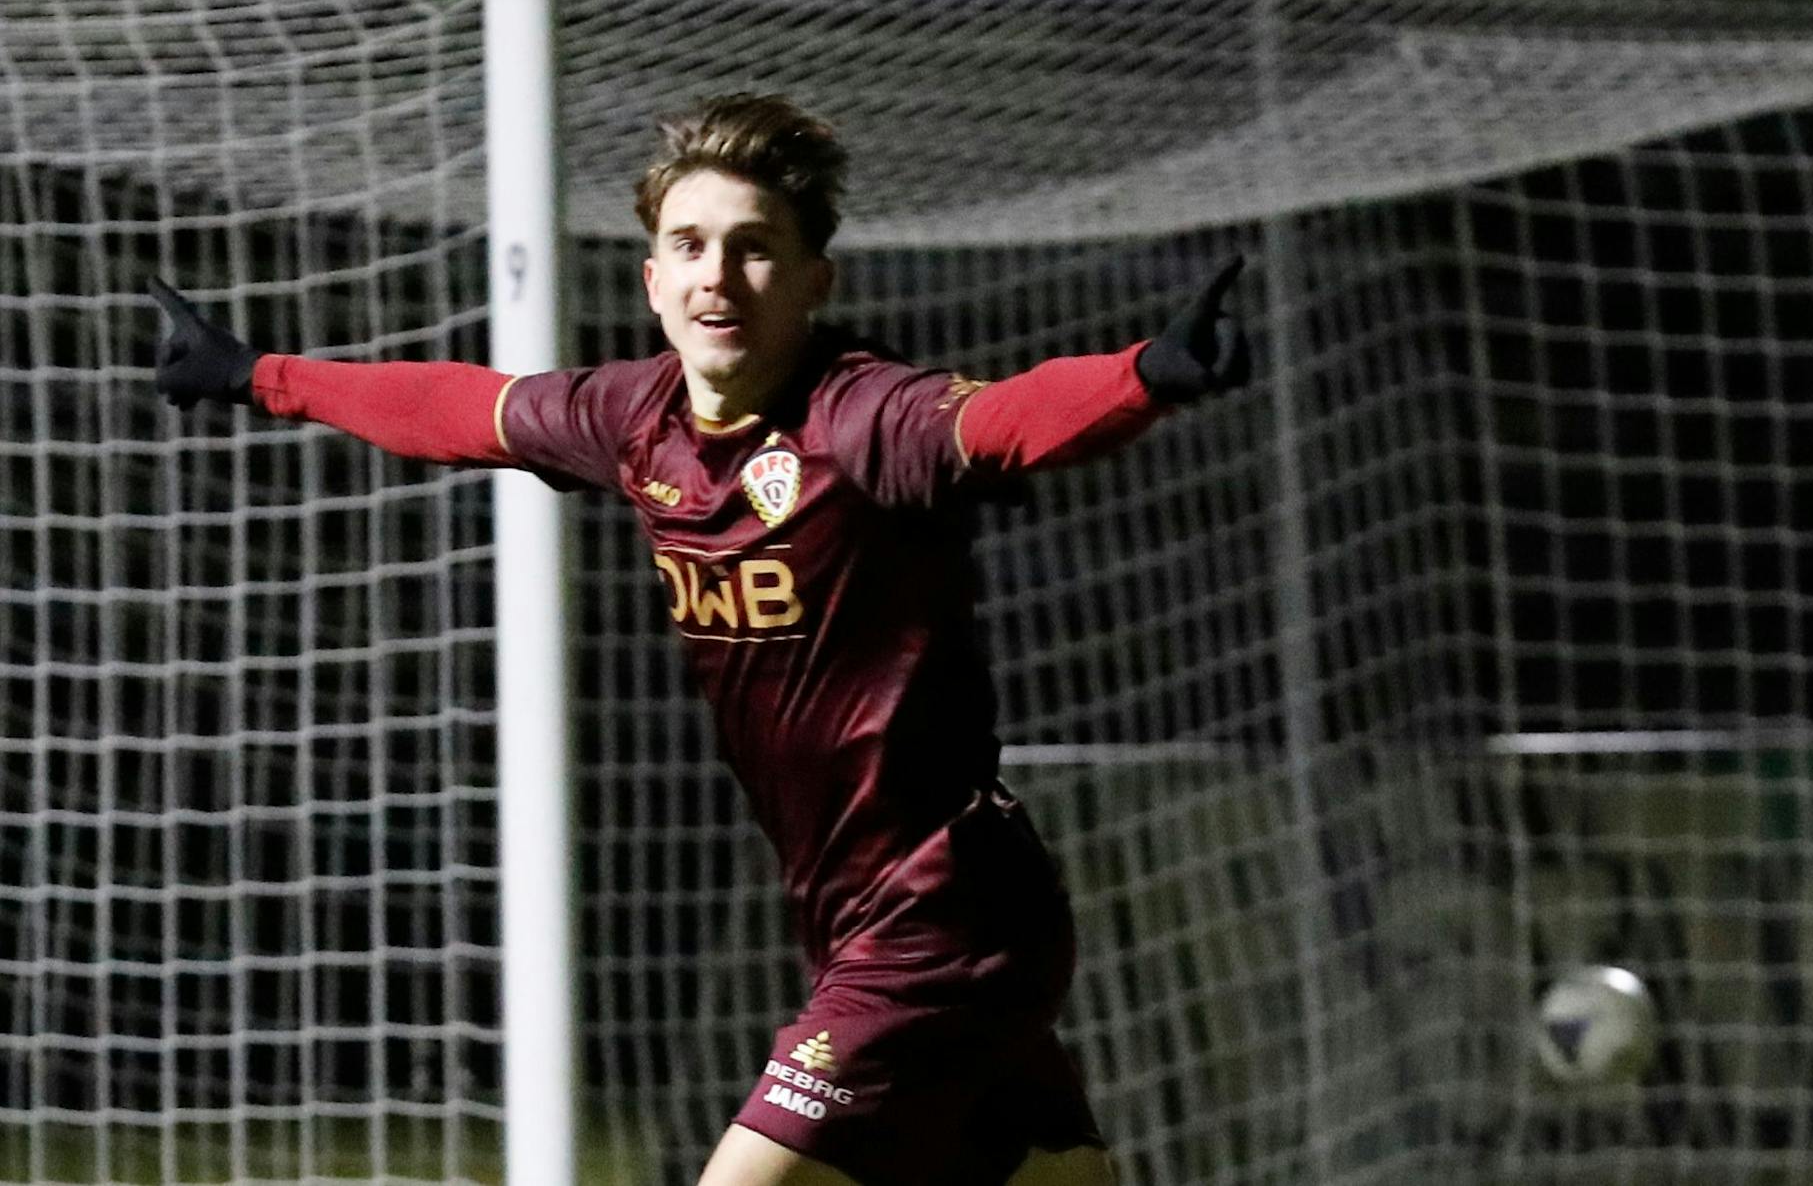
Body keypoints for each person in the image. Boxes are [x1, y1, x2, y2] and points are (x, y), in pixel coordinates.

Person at [150, 92, 1248, 1186]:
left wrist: (1143, 373)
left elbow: (1001, 419)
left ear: (815, 282)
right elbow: (461, 405)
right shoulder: (634, 418)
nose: (716, 276)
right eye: (689, 245)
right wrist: (259, 376)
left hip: (935, 914)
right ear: (652, 280)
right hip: (870, 914)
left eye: (754, 248)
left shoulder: (862, 418)